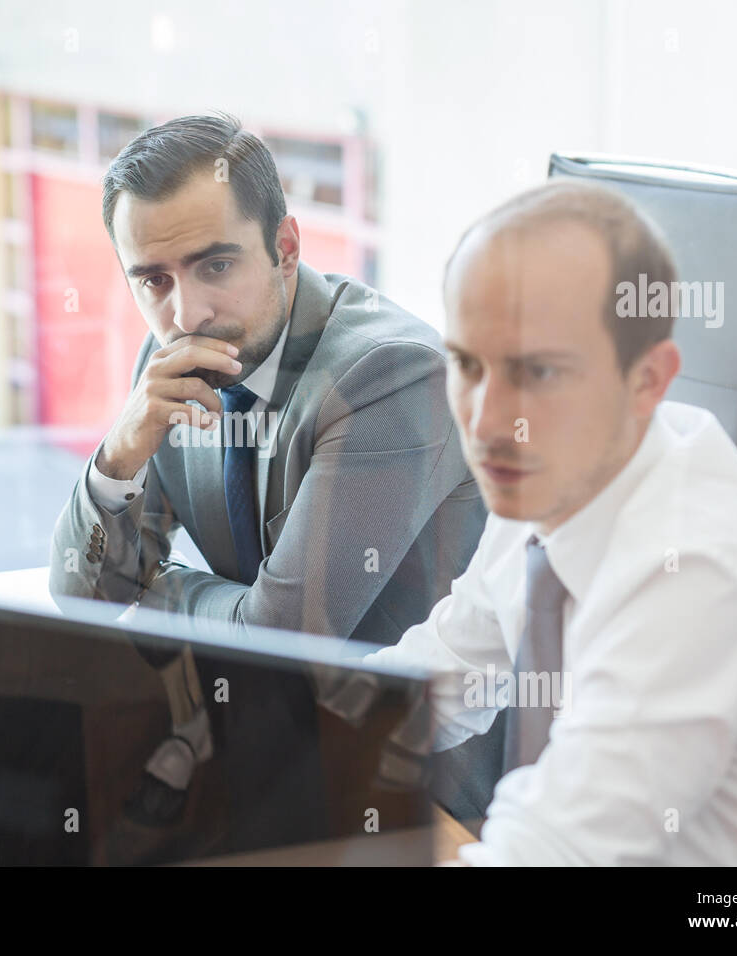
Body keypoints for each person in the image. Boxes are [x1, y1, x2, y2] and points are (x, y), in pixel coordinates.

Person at [370, 179, 737, 865]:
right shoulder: (555, 477)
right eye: (467, 365)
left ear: (648, 380)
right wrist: (268, 736)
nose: (486, 423)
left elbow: (550, 854)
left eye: (537, 372)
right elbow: (441, 674)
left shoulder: (695, 569)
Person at [49, 114, 484, 830]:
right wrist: (118, 454)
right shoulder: (170, 368)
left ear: (285, 248)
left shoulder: (391, 376)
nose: (187, 311)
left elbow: (282, 647)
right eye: (153, 280)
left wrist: (156, 591)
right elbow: (77, 589)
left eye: (216, 265)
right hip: (272, 744)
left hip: (421, 789)